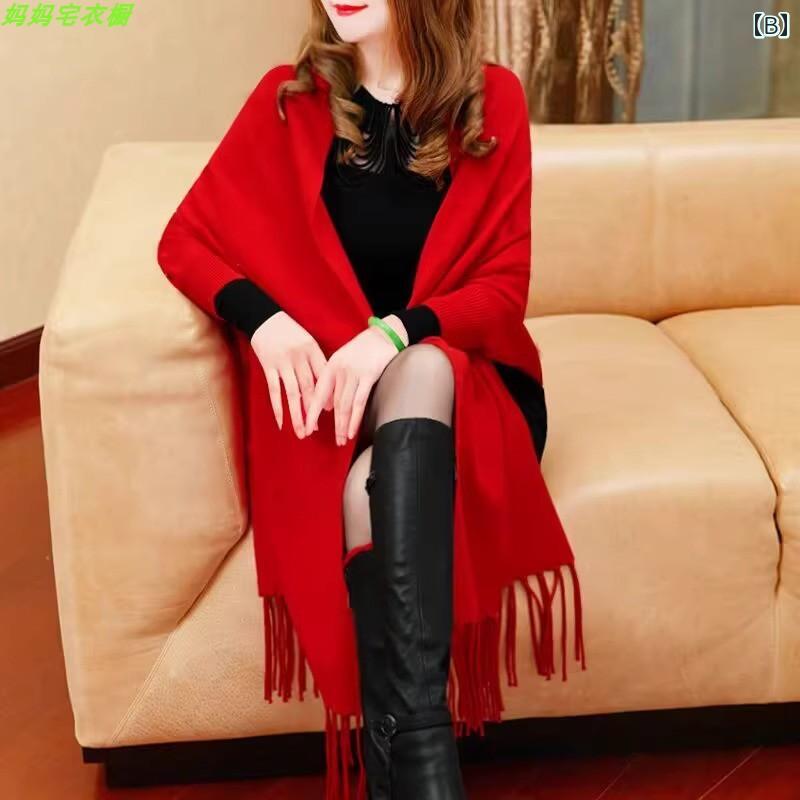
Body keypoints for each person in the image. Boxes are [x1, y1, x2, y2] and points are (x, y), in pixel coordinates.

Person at [157, 1, 585, 798]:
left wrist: (396, 333)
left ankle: (415, 766)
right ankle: (420, 769)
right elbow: (184, 240)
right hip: (340, 406)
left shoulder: (492, 101)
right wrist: (265, 321)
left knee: (420, 374)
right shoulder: (289, 102)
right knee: (364, 490)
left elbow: (503, 289)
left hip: (467, 392)